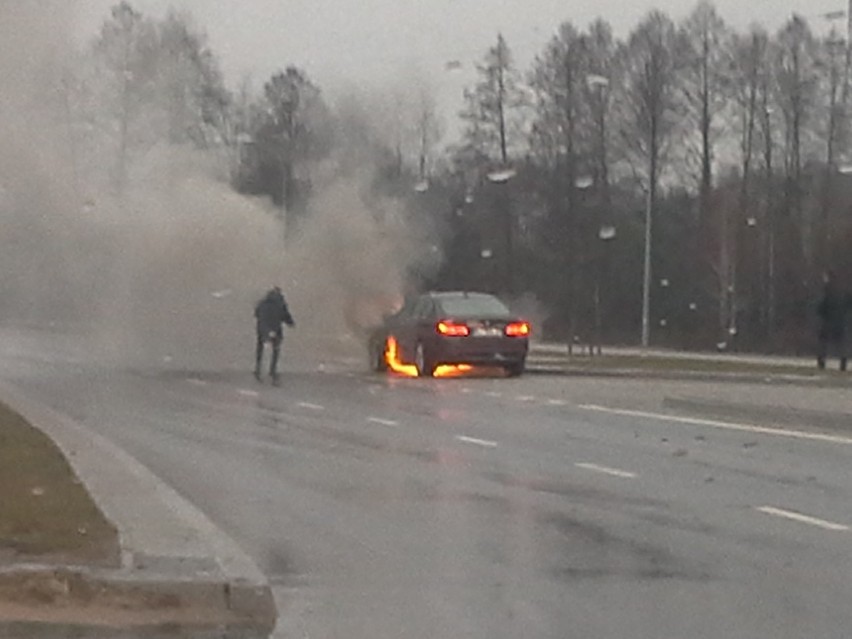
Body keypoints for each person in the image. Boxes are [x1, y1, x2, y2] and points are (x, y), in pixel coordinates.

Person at [254, 287, 295, 383]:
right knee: (276, 349)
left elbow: (256, 313)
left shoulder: (262, 303)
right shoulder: (281, 304)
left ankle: (258, 368)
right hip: (276, 329)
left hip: (263, 329)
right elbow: (285, 316)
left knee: (260, 347)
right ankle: (272, 370)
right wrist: (291, 323)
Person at [816, 270, 848, 372]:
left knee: (823, 342)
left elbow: (821, 307)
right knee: (840, 344)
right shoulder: (844, 292)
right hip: (840, 322)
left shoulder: (827, 291)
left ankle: (821, 362)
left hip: (828, 322)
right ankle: (843, 362)